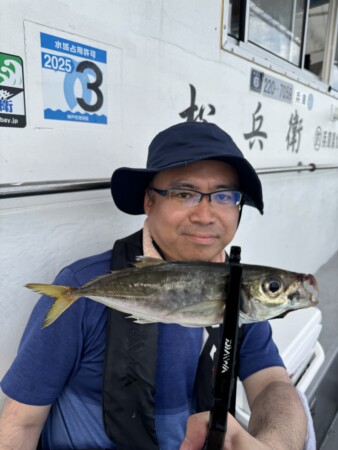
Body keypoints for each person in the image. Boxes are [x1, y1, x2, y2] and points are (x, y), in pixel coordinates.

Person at [0, 122, 313, 450]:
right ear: (150, 201)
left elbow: (271, 385)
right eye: (184, 193)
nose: (206, 215)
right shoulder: (80, 286)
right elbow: (22, 421)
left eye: (224, 195)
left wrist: (276, 444)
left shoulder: (245, 289)